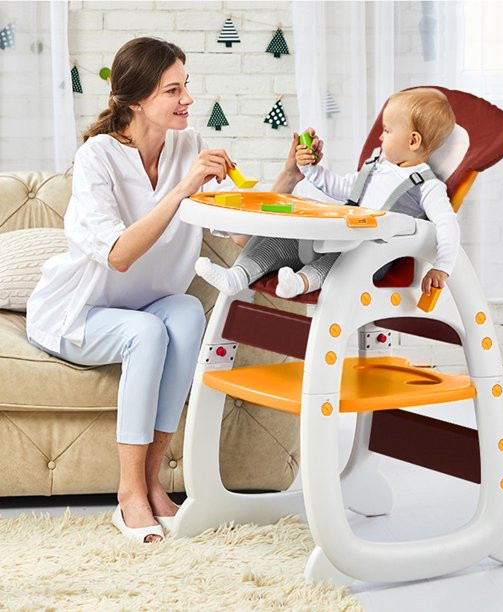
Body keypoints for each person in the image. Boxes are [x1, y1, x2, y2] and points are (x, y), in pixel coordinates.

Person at [25, 37, 304, 543]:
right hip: (77, 313)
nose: (187, 99)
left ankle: (153, 483)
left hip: (146, 305)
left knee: (188, 312)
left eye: (185, 86)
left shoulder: (188, 144)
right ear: (135, 100)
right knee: (147, 332)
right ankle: (129, 493)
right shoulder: (97, 157)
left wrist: (288, 175)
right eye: (172, 90)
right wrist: (182, 189)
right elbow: (119, 255)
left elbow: (242, 233)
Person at [196, 87, 460, 299]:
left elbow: (447, 224)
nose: (381, 137)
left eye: (387, 131)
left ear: (413, 141)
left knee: (347, 254)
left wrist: (442, 267)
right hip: (336, 236)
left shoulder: (427, 186)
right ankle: (237, 276)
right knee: (279, 236)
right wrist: (308, 168)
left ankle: (300, 283)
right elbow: (340, 186)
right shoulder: (376, 167)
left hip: (370, 256)